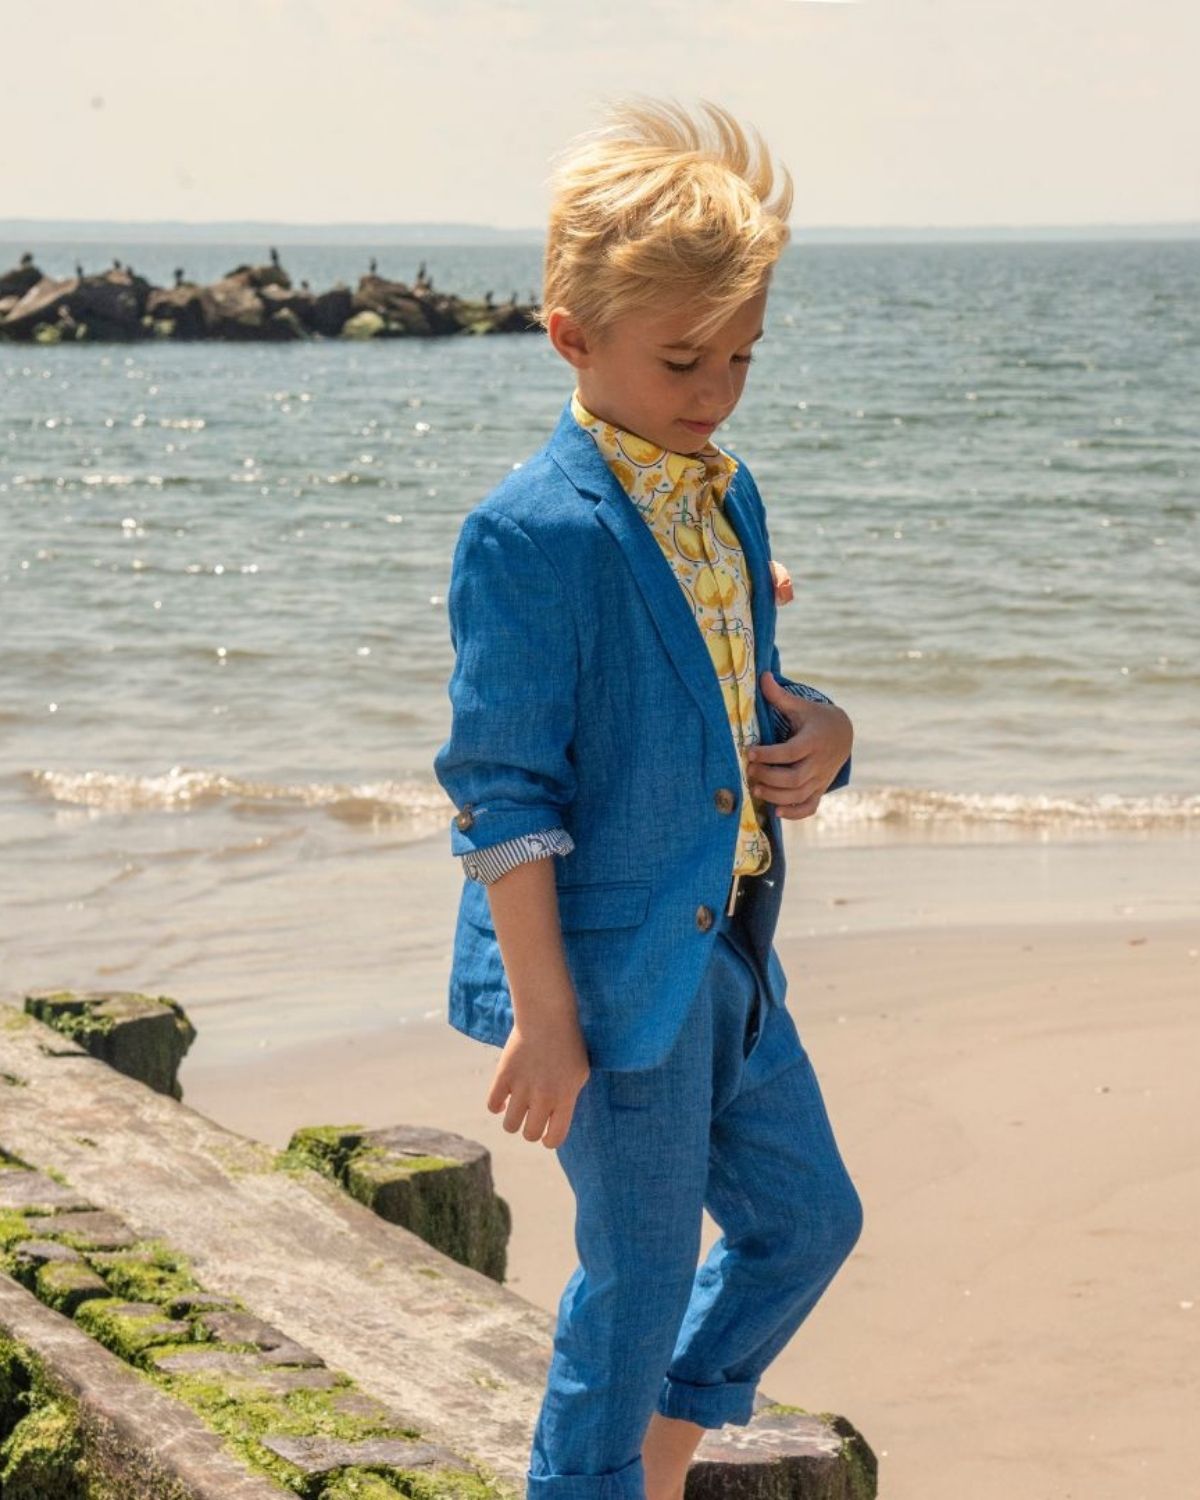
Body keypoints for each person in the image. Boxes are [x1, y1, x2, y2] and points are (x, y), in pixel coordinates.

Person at [432, 94, 863, 1500]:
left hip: (730, 948)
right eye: (684, 358)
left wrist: (831, 737)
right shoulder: (526, 534)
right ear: (570, 337)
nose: (719, 388)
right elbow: (501, 793)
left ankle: (653, 1467)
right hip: (613, 979)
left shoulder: (726, 496)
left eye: (743, 353)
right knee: (636, 1275)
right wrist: (547, 1015)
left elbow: (746, 697)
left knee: (806, 1224)